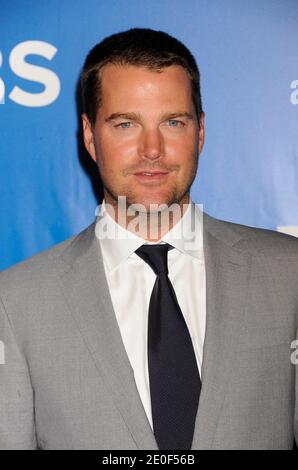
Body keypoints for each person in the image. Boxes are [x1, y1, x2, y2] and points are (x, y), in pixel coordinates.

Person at [0, 28, 297, 450]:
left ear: (200, 131)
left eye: (173, 122)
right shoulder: (15, 302)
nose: (152, 149)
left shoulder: (289, 273)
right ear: (89, 135)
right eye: (125, 124)